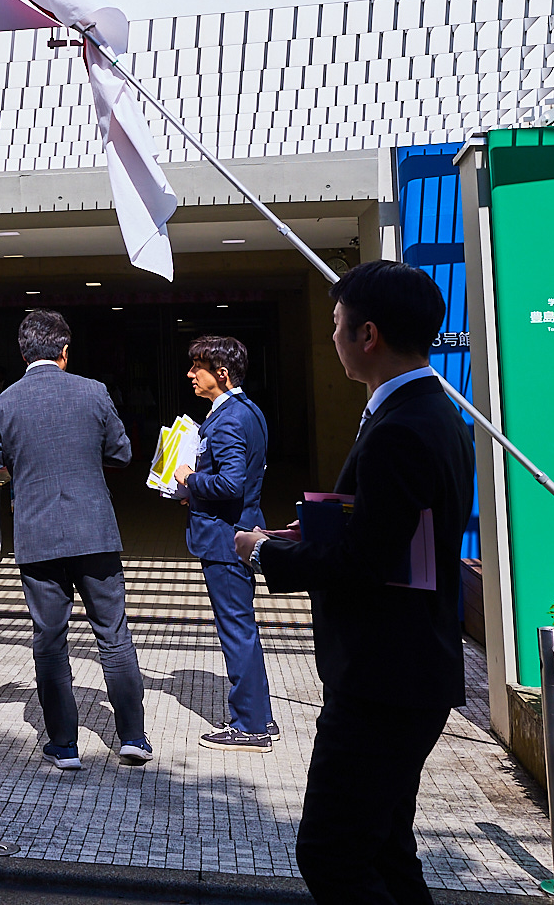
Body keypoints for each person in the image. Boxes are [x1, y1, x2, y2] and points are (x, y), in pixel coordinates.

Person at [236, 260, 473, 905]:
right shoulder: (432, 412)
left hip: (382, 677)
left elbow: (367, 565)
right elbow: (390, 531)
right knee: (387, 851)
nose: (333, 339)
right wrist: (316, 527)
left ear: (368, 334)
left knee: (332, 853)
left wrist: (265, 555)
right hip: (408, 669)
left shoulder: (398, 427)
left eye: (338, 326)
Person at [0, 310, 152, 770]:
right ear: (64, 352)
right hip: (95, 532)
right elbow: (122, 453)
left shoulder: (2, 404)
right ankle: (132, 737)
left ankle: (65, 746)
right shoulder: (94, 392)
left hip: (39, 536)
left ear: (23, 352)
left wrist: (15, 464)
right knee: (113, 635)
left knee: (50, 641)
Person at [172, 334, 276, 753]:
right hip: (237, 531)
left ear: (222, 373)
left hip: (224, 538)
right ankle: (258, 716)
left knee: (236, 629)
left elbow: (231, 482)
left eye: (197, 367)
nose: (190, 374)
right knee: (242, 628)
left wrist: (188, 479)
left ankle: (250, 726)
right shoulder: (246, 411)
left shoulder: (230, 419)